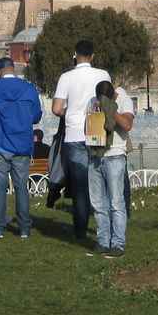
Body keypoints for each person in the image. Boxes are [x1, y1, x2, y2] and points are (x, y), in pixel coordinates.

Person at [51, 39, 111, 241]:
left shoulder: (66, 77)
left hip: (75, 134)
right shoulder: (103, 75)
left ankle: (80, 231)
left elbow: (57, 109)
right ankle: (105, 228)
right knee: (99, 183)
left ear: (75, 55)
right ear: (93, 56)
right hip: (96, 130)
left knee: (79, 188)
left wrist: (72, 112)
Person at [0, 56, 42, 239]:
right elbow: (36, 116)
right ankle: (24, 229)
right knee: (21, 186)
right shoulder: (28, 88)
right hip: (22, 144)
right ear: (13, 69)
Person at [84, 80, 135, 258]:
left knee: (116, 202)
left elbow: (127, 125)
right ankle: (103, 242)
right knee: (98, 203)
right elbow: (87, 128)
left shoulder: (124, 100)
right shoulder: (92, 102)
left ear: (113, 95)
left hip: (115, 155)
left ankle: (118, 244)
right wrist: (96, 114)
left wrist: (110, 109)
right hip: (96, 156)